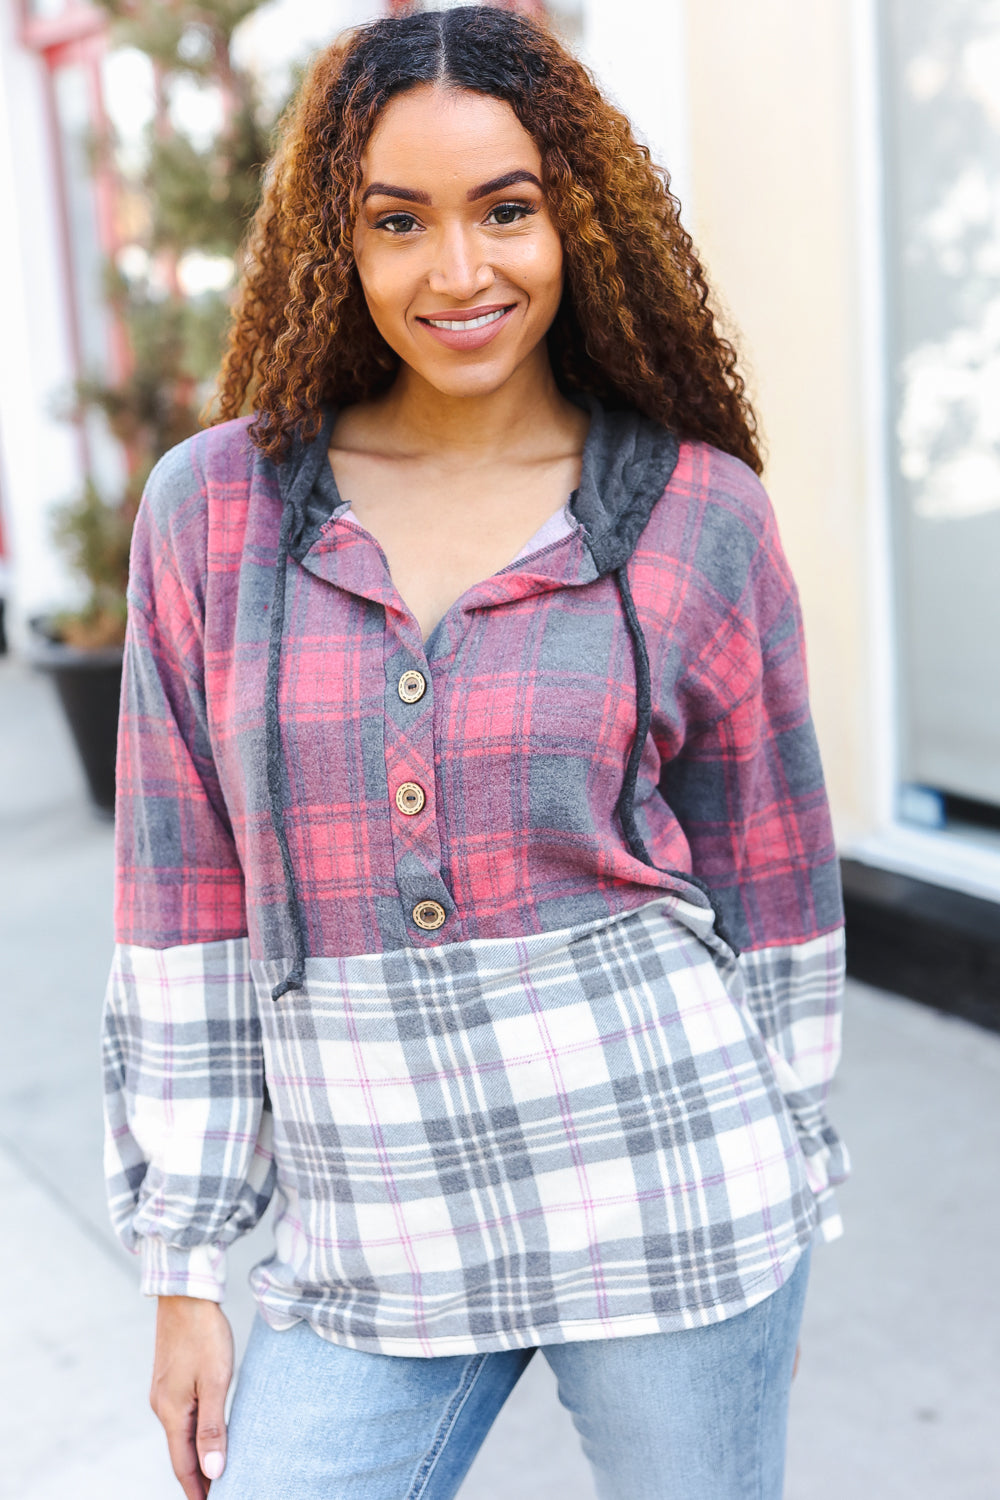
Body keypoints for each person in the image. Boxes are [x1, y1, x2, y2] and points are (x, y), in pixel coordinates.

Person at [102, 7, 849, 1498]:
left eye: (506, 209)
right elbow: (181, 905)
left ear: (575, 219)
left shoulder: (700, 511)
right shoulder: (213, 515)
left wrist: (794, 1145)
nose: (460, 272)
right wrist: (186, 1262)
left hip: (667, 1192)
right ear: (341, 241)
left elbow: (776, 879)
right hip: (369, 1233)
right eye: (400, 221)